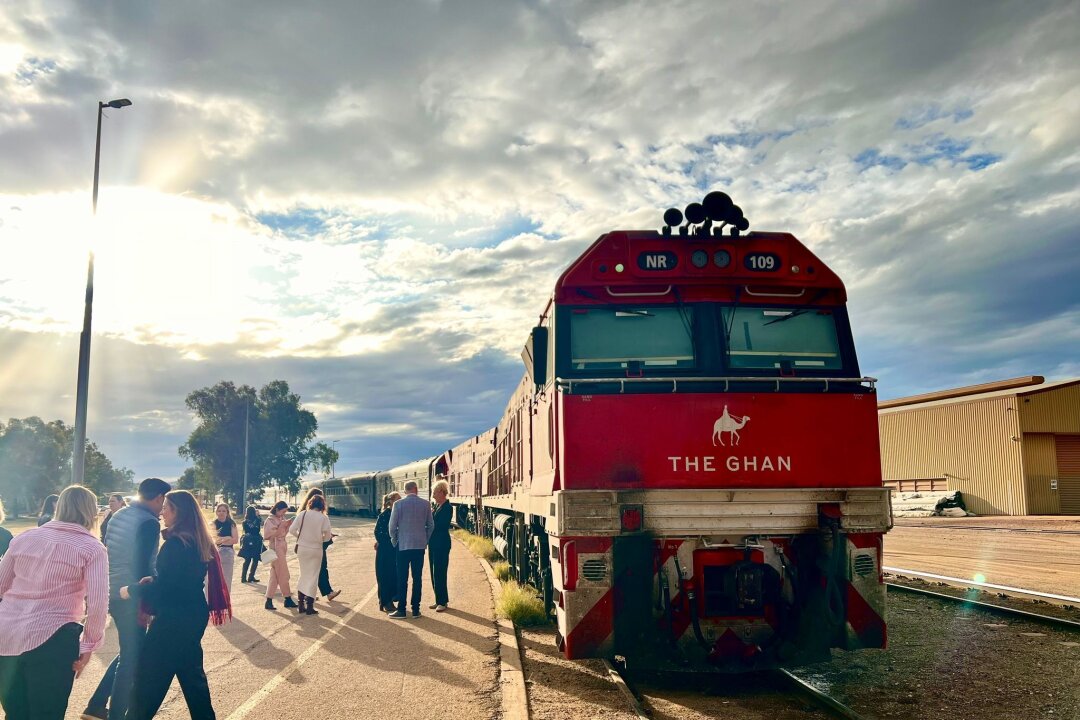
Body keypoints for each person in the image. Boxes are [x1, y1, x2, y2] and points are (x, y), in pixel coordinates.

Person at [0, 485, 108, 720]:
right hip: (54, 638)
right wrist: (89, 644)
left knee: (16, 713)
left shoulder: (25, 538)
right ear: (91, 511)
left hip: (7, 634)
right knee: (47, 712)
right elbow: (98, 603)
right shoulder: (92, 548)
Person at [120, 489, 230, 720]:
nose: (162, 513)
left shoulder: (175, 544)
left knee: (147, 682)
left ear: (177, 512)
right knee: (193, 681)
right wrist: (157, 581)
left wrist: (132, 590)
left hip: (172, 620)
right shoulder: (197, 541)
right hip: (192, 615)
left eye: (166, 508)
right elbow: (179, 580)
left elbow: (166, 588)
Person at [81, 477, 170, 720]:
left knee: (129, 651)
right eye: (163, 502)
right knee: (131, 659)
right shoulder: (149, 522)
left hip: (112, 589)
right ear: (158, 497)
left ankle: (97, 706)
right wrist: (152, 595)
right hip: (131, 595)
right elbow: (143, 566)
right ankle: (116, 715)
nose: (163, 509)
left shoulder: (119, 515)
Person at [388, 480, 433, 619]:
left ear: (405, 490)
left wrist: (395, 540)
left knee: (402, 578)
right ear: (416, 489)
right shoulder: (425, 504)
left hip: (403, 546)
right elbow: (431, 525)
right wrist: (425, 540)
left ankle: (401, 609)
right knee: (417, 578)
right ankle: (416, 610)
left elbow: (392, 527)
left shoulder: (398, 504)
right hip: (419, 546)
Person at [290, 495, 333, 615]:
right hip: (315, 549)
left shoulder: (303, 514)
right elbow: (327, 537)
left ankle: (300, 604)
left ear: (310, 503)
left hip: (302, 549)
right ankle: (309, 606)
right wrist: (319, 538)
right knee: (313, 576)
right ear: (322, 505)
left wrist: (301, 537)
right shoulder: (323, 518)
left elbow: (292, 530)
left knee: (303, 574)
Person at [297, 487, 341, 601]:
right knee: (320, 568)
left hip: (304, 546)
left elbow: (296, 530)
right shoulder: (321, 516)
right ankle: (323, 593)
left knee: (310, 570)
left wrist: (302, 538)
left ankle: (309, 594)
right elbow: (323, 534)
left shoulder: (302, 513)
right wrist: (327, 537)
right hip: (317, 546)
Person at [263, 501, 297, 610]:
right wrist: (282, 525)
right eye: (283, 511)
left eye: (285, 512)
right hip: (276, 548)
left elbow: (283, 533)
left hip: (281, 547)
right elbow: (269, 535)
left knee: (274, 576)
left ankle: (269, 600)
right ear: (277, 509)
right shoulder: (270, 520)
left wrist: (287, 525)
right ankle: (287, 598)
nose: (284, 514)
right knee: (283, 573)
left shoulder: (279, 519)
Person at [373, 492, 400, 612]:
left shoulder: (395, 513)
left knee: (391, 575)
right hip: (385, 551)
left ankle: (386, 601)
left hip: (391, 549)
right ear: (391, 502)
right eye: (398, 500)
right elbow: (377, 532)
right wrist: (385, 542)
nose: (400, 502)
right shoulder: (385, 514)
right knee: (385, 576)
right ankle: (385, 602)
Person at [428, 479, 452, 612]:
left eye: (435, 493)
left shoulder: (447, 508)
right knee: (433, 571)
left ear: (442, 492)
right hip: (433, 543)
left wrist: (429, 519)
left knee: (440, 572)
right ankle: (438, 599)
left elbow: (440, 526)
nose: (433, 496)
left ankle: (442, 601)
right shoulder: (437, 507)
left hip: (441, 544)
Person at [212, 503, 238, 593]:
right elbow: (214, 540)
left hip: (228, 552)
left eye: (223, 511)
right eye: (219, 511)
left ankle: (226, 601)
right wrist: (227, 538)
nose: (221, 513)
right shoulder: (213, 524)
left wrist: (222, 539)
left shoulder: (231, 524)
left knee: (227, 578)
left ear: (227, 512)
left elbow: (235, 540)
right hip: (216, 552)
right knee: (215, 578)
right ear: (216, 512)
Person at [238, 505, 263, 583]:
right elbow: (258, 528)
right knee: (255, 559)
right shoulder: (257, 520)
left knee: (247, 560)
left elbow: (246, 531)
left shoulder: (245, 522)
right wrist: (258, 515)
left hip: (248, 541)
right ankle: (251, 576)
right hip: (256, 540)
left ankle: (243, 577)